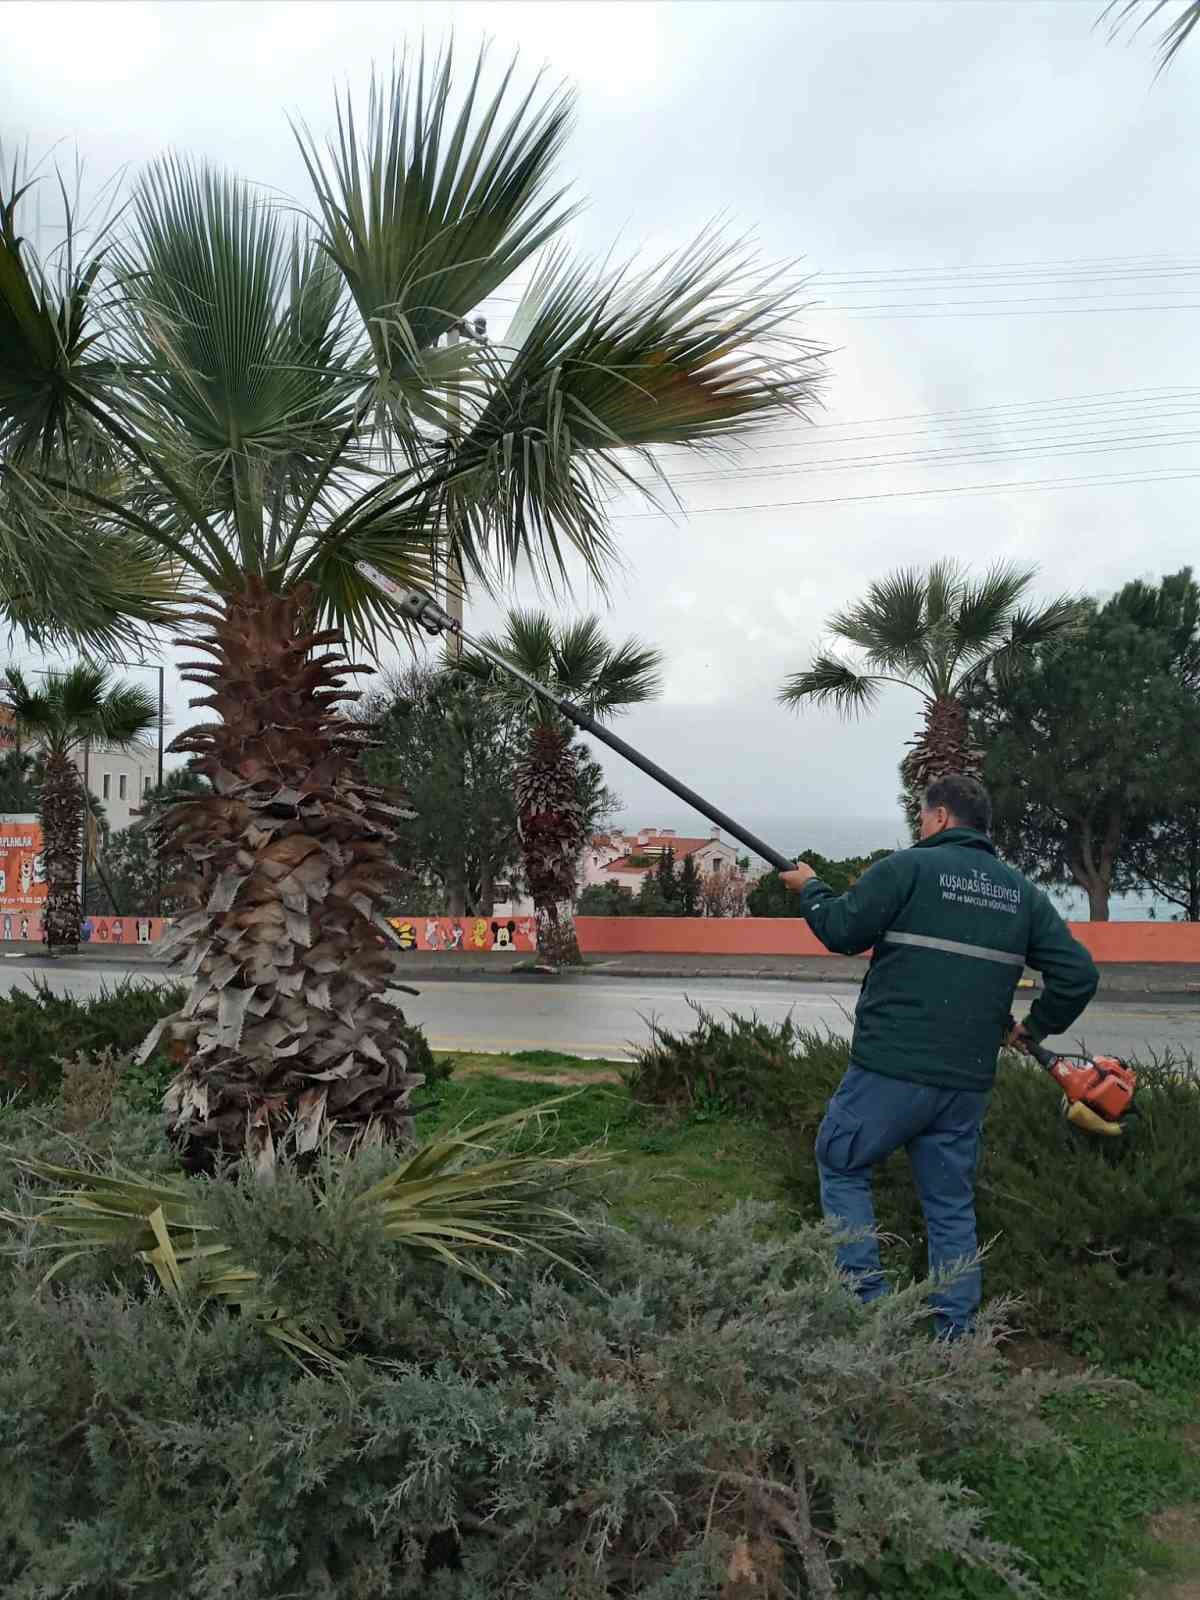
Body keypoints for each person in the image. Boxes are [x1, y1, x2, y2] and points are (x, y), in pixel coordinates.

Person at [781, 772, 1098, 1339]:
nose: (921, 826)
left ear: (943, 817)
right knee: (950, 1206)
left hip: (891, 1071)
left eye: (924, 818)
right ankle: (956, 1336)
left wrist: (810, 888)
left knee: (842, 1161)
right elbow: (1077, 975)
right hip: (965, 1085)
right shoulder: (1021, 894)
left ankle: (867, 1312)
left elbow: (842, 929)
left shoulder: (910, 868)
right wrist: (1035, 1028)